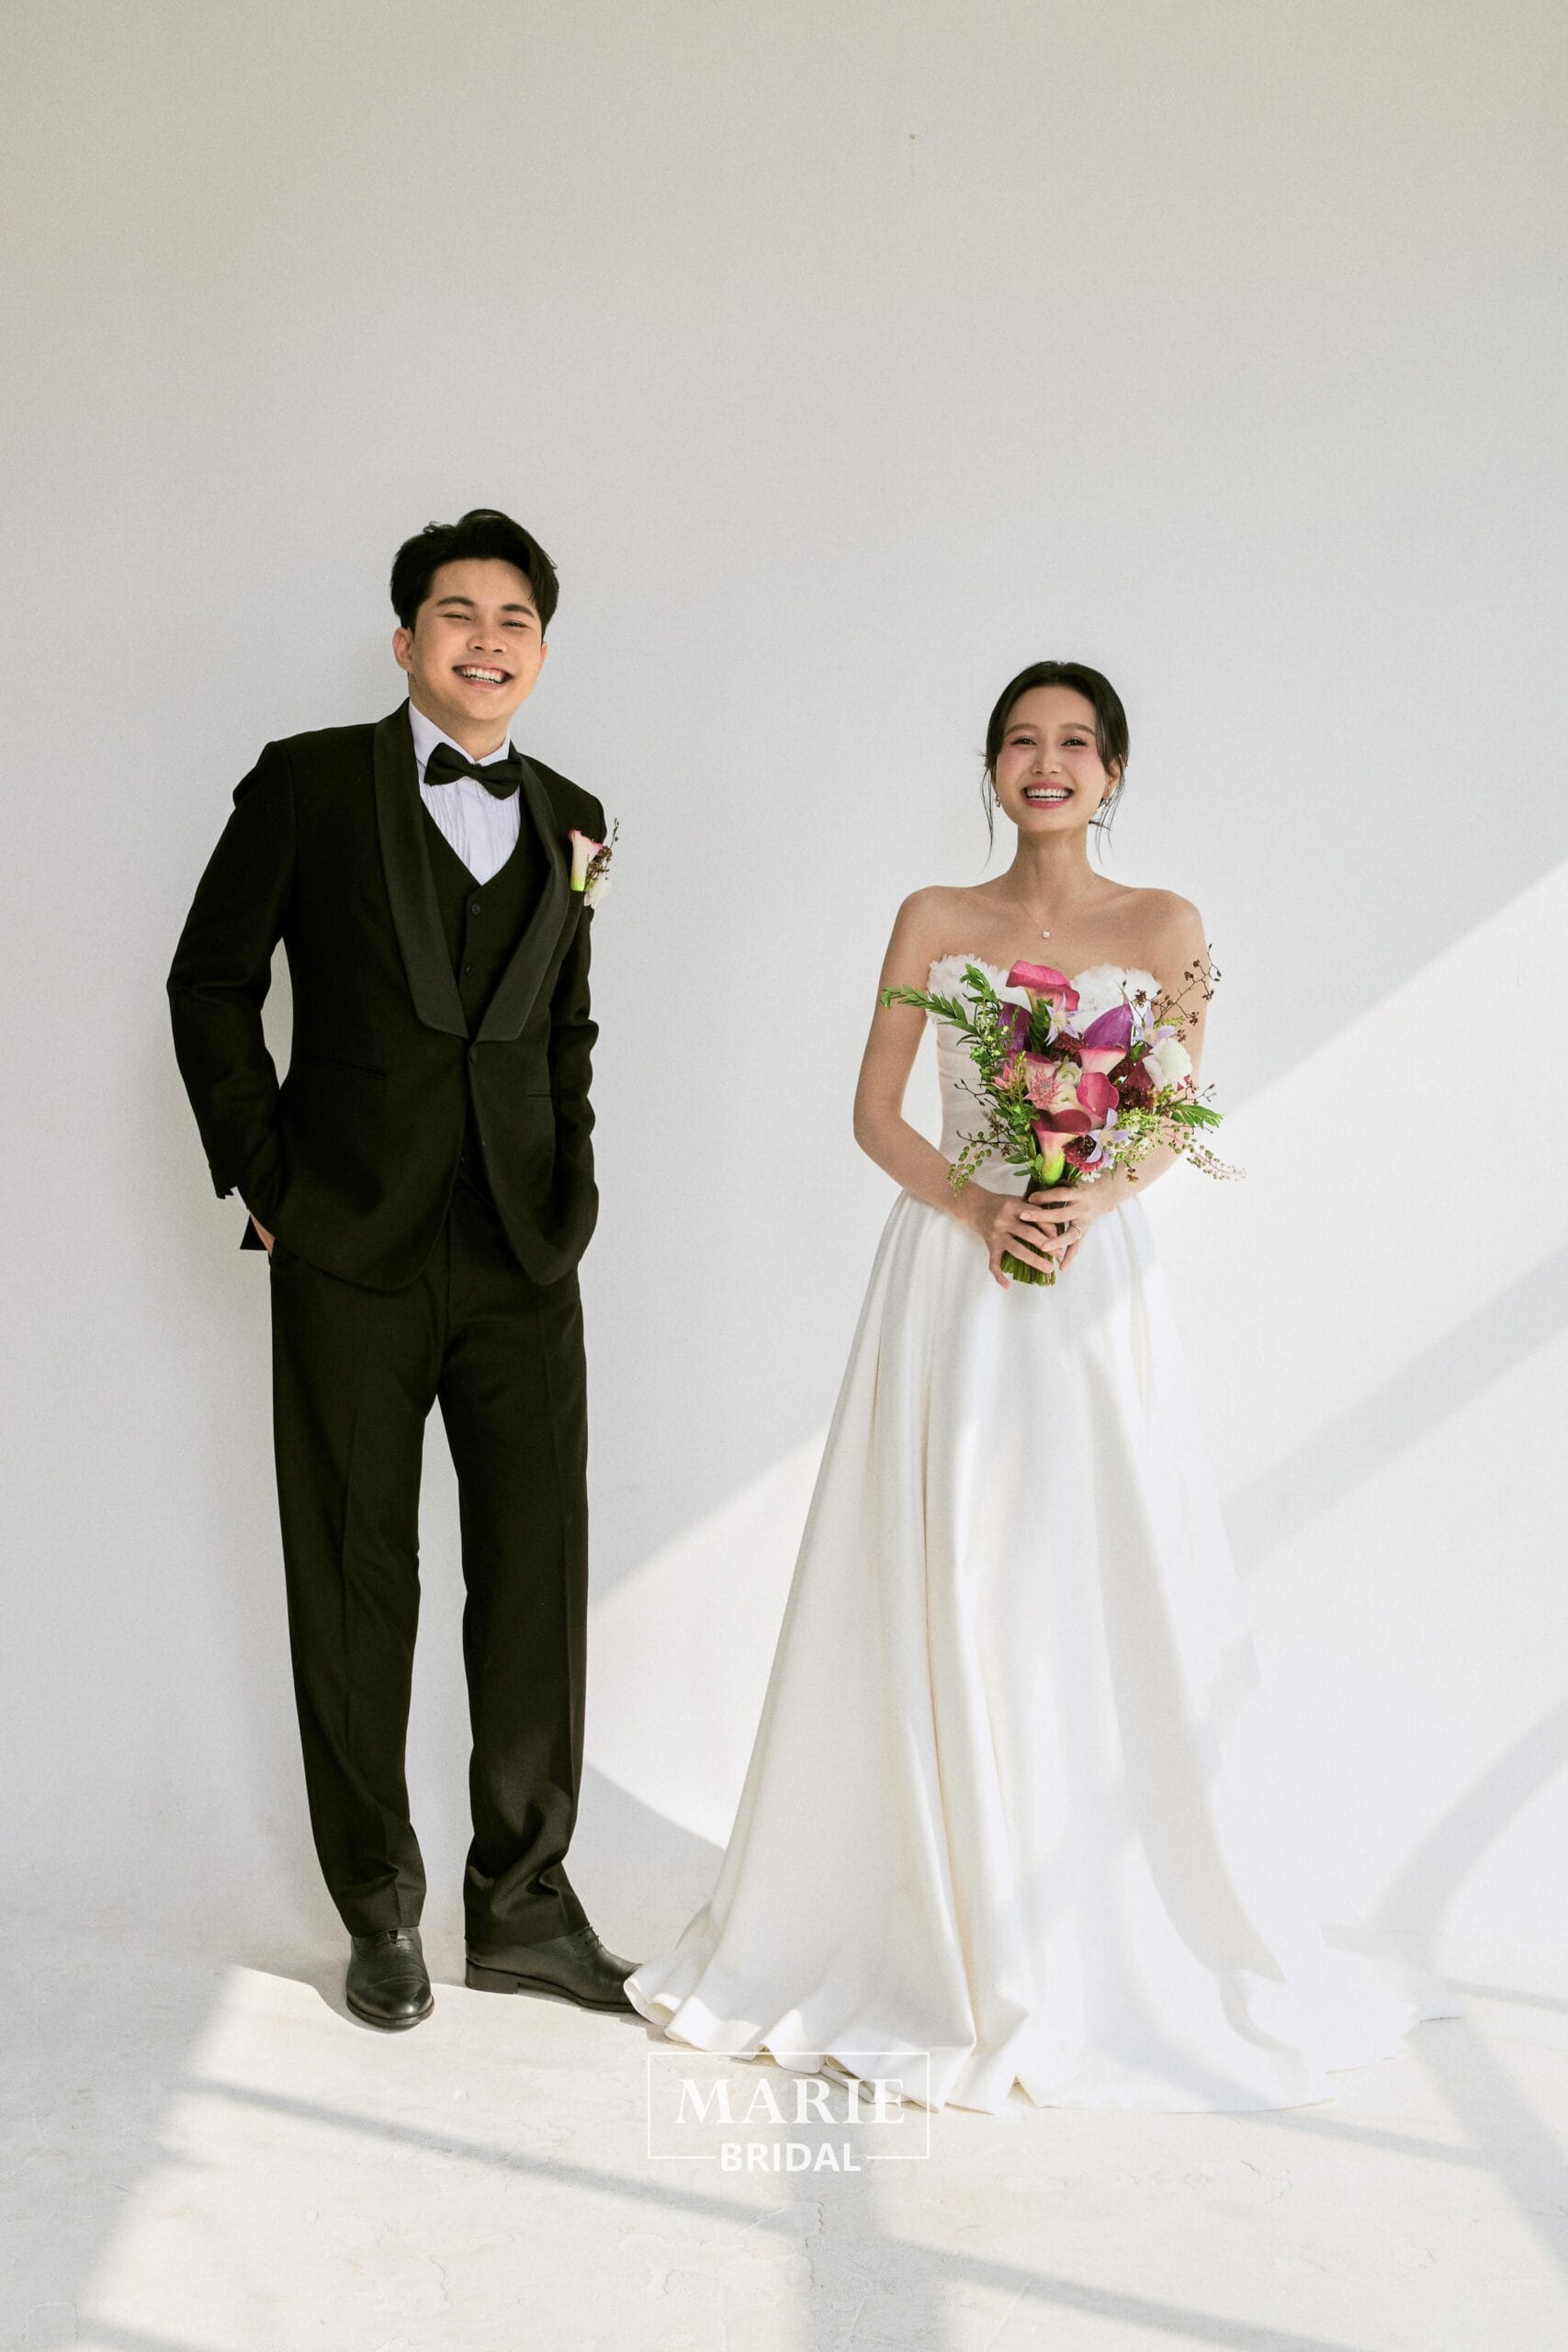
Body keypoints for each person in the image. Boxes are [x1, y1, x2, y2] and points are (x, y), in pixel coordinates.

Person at [624, 660, 1458, 2111]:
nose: (1048, 761)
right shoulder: (934, 918)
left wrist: (1089, 1200)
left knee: (1088, 1562)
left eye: (1076, 742)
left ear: (1114, 772)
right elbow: (875, 1112)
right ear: (994, 768)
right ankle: (926, 1907)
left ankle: (1085, 1908)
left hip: (1089, 1278)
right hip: (953, 1273)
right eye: (1023, 740)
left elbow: (1174, 1107)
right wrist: (980, 1204)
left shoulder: (1167, 925)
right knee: (942, 1558)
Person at [167, 507, 638, 2030]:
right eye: (457, 613)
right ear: (405, 639)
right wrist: (272, 1185)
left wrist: (571, 1193)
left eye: (514, 618)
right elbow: (210, 981)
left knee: (536, 1582)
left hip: (523, 1255)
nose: (486, 639)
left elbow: (563, 1022)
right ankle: (379, 1910)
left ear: (541, 651)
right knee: (357, 1578)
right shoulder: (308, 783)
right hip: (349, 1247)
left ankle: (524, 1907)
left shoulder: (577, 815)